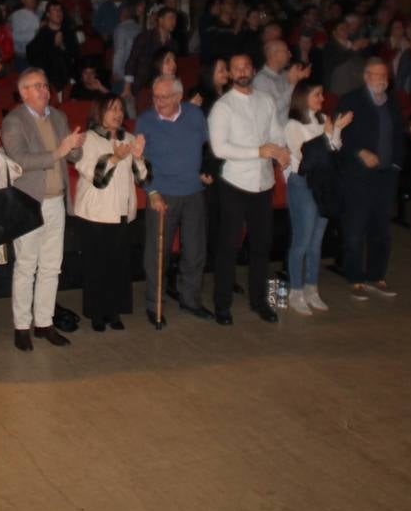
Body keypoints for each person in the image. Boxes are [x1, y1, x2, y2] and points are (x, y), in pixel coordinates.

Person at [0, 67, 85, 349]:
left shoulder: (58, 116)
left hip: (55, 200)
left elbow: (73, 155)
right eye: (38, 86)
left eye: (46, 86)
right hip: (28, 201)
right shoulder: (14, 121)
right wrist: (59, 152)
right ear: (24, 92)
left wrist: (75, 147)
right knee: (26, 266)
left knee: (51, 267)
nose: (45, 91)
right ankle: (22, 326)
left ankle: (44, 323)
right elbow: (20, 159)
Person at [208, 53, 290, 325]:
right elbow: (220, 148)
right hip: (235, 184)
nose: (242, 71)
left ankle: (260, 301)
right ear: (230, 74)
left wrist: (280, 150)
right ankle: (222, 304)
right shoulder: (223, 107)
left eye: (246, 66)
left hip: (263, 183)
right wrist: (258, 151)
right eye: (236, 68)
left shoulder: (265, 100)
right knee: (229, 247)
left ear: (253, 69)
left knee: (262, 247)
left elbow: (277, 133)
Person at [136, 74, 211, 325]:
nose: (158, 102)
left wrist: (205, 172)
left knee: (195, 251)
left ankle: (190, 300)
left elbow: (205, 146)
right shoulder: (145, 121)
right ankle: (153, 304)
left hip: (193, 192)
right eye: (155, 97)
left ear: (179, 96)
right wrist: (151, 192)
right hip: (162, 194)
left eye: (164, 97)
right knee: (157, 254)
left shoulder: (195, 115)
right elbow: (139, 163)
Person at [75, 94, 149, 331]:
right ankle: (97, 313)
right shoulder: (88, 139)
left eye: (120, 109)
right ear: (99, 112)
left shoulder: (128, 138)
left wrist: (137, 158)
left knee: (118, 266)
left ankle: (114, 312)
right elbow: (96, 178)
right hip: (95, 213)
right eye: (111, 109)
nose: (118, 113)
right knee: (97, 266)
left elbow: (143, 179)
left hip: (121, 213)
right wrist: (114, 158)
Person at [336, 57, 405, 301]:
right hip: (358, 175)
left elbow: (398, 135)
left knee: (381, 229)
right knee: (356, 227)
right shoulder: (351, 100)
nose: (382, 80)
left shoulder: (392, 103)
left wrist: (396, 163)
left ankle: (377, 275)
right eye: (376, 75)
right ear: (366, 77)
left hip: (385, 175)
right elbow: (338, 136)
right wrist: (360, 152)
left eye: (385, 76)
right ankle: (355, 277)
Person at [283, 81, 349, 314]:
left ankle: (312, 288)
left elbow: (334, 148)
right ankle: (296, 291)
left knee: (316, 240)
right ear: (303, 97)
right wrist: (330, 132)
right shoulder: (293, 124)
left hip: (323, 183)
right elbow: (305, 154)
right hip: (303, 183)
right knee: (302, 239)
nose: (322, 98)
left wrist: (336, 130)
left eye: (322, 94)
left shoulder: (323, 119)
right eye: (317, 94)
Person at [123, 7, 178, 101]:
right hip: (141, 85)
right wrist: (127, 88)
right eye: (170, 18)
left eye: (175, 19)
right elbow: (132, 61)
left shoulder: (173, 43)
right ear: (160, 20)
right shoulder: (145, 37)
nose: (173, 22)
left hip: (160, 87)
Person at [27, 0, 80, 97]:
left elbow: (75, 55)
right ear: (48, 14)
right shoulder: (42, 34)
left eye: (60, 10)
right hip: (49, 81)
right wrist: (54, 45)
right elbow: (35, 57)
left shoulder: (68, 32)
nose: (58, 13)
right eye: (54, 10)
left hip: (68, 79)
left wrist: (62, 46)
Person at [254, 38, 309, 119]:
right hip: (276, 129)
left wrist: (300, 78)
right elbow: (274, 109)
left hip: (292, 125)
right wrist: (293, 84)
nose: (290, 54)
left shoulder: (284, 74)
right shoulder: (260, 80)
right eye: (286, 51)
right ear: (274, 55)